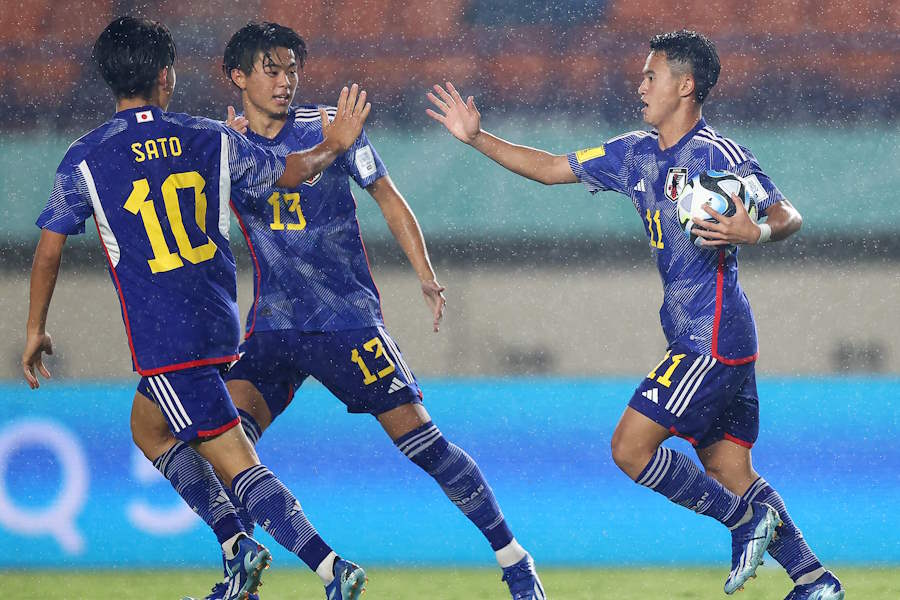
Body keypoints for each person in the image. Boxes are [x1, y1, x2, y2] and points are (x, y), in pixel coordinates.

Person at [427, 30, 843, 600]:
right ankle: (815, 581)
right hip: (710, 338)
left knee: (629, 448)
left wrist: (758, 229)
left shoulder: (716, 156)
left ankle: (743, 524)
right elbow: (551, 167)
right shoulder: (635, 153)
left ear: (686, 85)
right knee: (730, 472)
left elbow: (787, 212)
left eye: (652, 75)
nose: (640, 84)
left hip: (710, 338)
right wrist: (477, 139)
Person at [142, 20, 544, 600]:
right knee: (224, 450)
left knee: (426, 448)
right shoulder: (222, 147)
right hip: (273, 329)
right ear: (237, 76)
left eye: (292, 70)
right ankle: (242, 581)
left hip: (347, 323)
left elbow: (387, 195)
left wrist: (426, 275)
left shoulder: (330, 127)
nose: (285, 81)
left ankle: (515, 560)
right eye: (271, 70)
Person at [21, 16, 371, 600]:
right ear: (167, 77)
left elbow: (50, 249)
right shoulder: (210, 136)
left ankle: (330, 568)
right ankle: (239, 553)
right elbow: (287, 174)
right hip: (215, 318)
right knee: (149, 427)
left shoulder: (85, 159)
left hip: (163, 333)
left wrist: (35, 327)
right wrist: (332, 145)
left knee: (233, 458)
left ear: (111, 80)